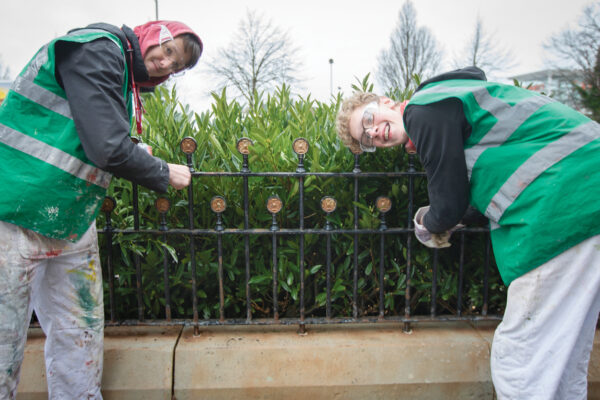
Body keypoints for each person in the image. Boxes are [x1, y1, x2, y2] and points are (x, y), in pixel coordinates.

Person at [336, 66, 600, 400]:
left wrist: (427, 225)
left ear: (387, 102)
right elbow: (471, 196)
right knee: (562, 358)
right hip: (583, 197)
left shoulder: (423, 109)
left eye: (369, 119)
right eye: (366, 139)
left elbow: (448, 204)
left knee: (519, 363)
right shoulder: (447, 101)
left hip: (562, 209)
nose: (374, 133)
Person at [0, 20, 202, 399]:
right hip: (12, 209)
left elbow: (92, 133)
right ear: (151, 32)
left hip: (67, 219)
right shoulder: (97, 49)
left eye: (175, 67)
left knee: (80, 334)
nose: (165, 64)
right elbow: (107, 147)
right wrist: (160, 171)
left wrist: (134, 151)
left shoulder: (119, 72)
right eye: (168, 50)